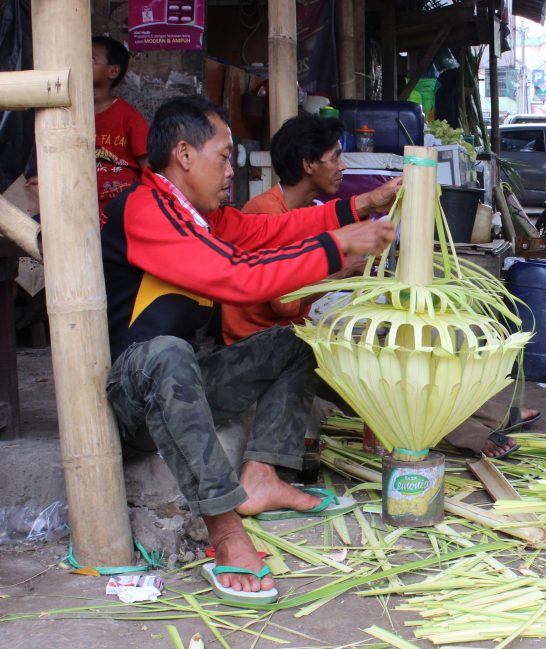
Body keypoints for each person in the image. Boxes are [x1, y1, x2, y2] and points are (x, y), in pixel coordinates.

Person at [100, 95, 398, 602]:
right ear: (184, 154)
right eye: (223, 155)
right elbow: (238, 278)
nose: (229, 170)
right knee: (167, 351)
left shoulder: (200, 214)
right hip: (136, 397)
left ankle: (261, 474)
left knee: (294, 342)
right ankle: (224, 530)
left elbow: (269, 231)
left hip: (184, 386)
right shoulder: (144, 207)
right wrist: (339, 245)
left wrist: (361, 206)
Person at [222, 113, 539, 459]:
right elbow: (282, 304)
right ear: (309, 164)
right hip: (264, 347)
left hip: (294, 332)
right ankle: (472, 435)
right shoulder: (264, 215)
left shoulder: (307, 211)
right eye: (335, 158)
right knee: (381, 371)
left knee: (417, 346)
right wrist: (343, 273)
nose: (343, 166)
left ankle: (492, 414)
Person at [92, 35, 149, 211]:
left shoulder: (128, 116)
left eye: (91, 59)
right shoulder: (68, 113)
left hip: (120, 199)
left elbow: (149, 167)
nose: (80, 63)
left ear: (113, 71)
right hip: (80, 190)